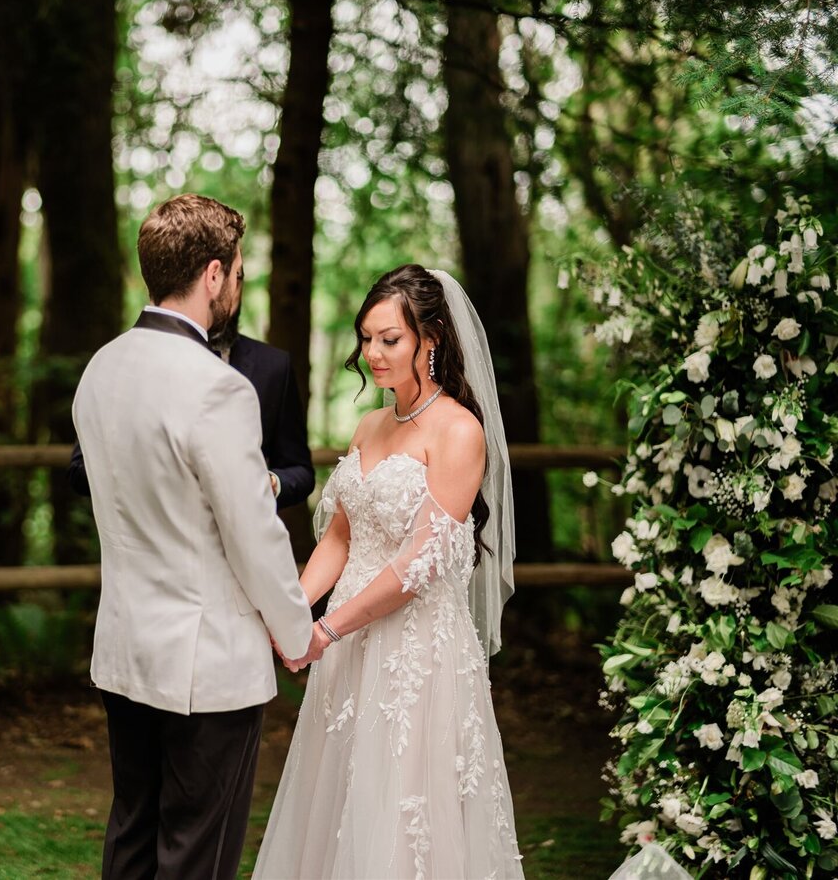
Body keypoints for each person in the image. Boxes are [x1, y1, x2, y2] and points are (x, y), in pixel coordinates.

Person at [253, 264, 525, 879]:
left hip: (416, 657)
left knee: (404, 816)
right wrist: (291, 611)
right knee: (340, 805)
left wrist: (326, 631)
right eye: (366, 338)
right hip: (349, 651)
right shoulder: (370, 425)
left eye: (389, 339)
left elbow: (415, 567)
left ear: (430, 340)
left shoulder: (459, 431)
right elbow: (342, 538)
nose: (372, 354)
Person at [72, 194, 314, 880]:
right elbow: (255, 536)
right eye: (237, 271)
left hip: (124, 650)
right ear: (213, 274)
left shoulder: (100, 370)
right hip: (207, 667)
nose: (238, 284)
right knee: (194, 858)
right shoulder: (219, 387)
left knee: (133, 838)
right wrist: (297, 634)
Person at [67, 276, 315, 509]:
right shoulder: (126, 363)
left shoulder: (273, 365)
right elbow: (80, 470)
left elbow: (300, 469)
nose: (229, 291)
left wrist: (270, 483)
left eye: (238, 278)